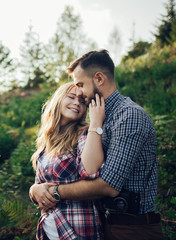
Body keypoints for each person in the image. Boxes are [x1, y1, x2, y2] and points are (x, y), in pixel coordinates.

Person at [30, 49, 163, 240]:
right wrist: (34, 189)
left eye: (81, 85)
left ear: (99, 79)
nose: (80, 94)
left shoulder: (129, 116)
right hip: (105, 224)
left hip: (131, 228)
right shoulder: (101, 117)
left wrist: (54, 192)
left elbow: (108, 185)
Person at [29, 82, 106, 239]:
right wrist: (33, 191)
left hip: (77, 231)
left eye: (82, 101)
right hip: (49, 231)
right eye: (71, 97)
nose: (77, 102)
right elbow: (40, 187)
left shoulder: (83, 135)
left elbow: (92, 175)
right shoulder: (46, 142)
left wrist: (96, 122)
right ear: (58, 100)